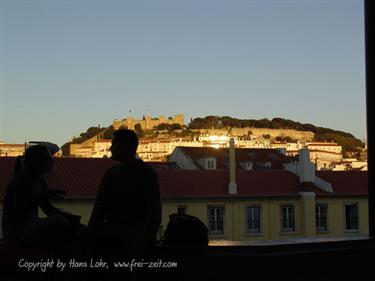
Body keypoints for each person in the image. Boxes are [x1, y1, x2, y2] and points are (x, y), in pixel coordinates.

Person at [85, 129, 162, 260]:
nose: (110, 148)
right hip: (134, 235)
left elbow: (99, 209)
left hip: (127, 235)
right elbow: (155, 209)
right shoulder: (147, 173)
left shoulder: (112, 173)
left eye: (114, 144)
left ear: (125, 147)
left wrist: (91, 231)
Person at [1, 145, 82, 249]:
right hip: (14, 234)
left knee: (65, 223)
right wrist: (44, 197)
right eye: (49, 158)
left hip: (28, 228)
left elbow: (47, 209)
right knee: (59, 223)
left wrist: (69, 217)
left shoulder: (40, 180)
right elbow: (18, 212)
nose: (53, 161)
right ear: (37, 162)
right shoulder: (20, 182)